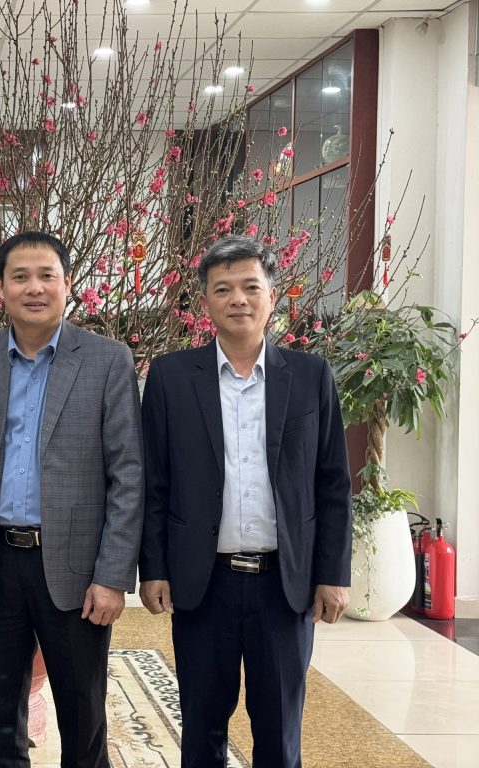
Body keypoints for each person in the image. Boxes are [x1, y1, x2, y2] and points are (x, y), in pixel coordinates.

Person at [138, 236, 352, 768]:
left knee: (279, 734)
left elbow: (332, 483)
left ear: (272, 296)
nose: (238, 299)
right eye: (223, 289)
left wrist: (332, 574)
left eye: (250, 287)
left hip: (284, 586)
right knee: (202, 730)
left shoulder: (311, 376)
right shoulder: (170, 377)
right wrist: (154, 568)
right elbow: (155, 482)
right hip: (203, 582)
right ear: (205, 302)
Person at [0, 230, 144, 767]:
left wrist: (112, 577)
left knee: (83, 714)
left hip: (77, 571)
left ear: (67, 284)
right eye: (20, 277)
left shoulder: (107, 360)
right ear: (0, 289)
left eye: (46, 276)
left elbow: (128, 475)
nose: (34, 288)